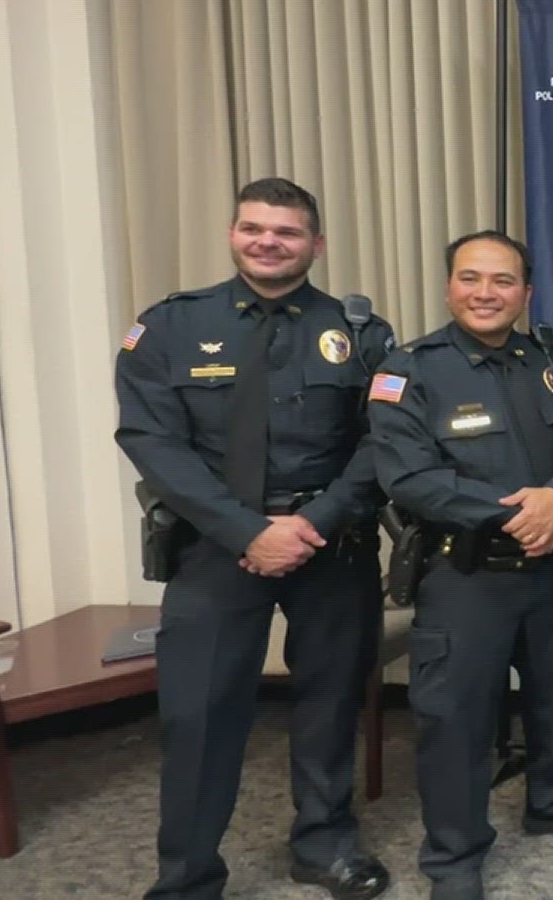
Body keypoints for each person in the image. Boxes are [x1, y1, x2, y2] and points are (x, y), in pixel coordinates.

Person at [115, 177, 394, 900]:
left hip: (331, 543)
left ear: (316, 244)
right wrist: (246, 529)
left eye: (287, 231)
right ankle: (187, 876)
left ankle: (325, 845)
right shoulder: (169, 327)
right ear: (234, 232)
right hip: (217, 544)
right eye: (253, 228)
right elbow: (153, 442)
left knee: (332, 702)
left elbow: (383, 444)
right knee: (198, 712)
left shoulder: (361, 333)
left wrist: (313, 524)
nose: (268, 241)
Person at [368, 231, 553, 900]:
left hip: (549, 570)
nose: (486, 293)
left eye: (503, 281)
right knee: (455, 718)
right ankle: (453, 854)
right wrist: (514, 513)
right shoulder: (409, 369)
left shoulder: (551, 364)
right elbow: (407, 477)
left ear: (526, 293)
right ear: (449, 287)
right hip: (466, 575)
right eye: (471, 279)